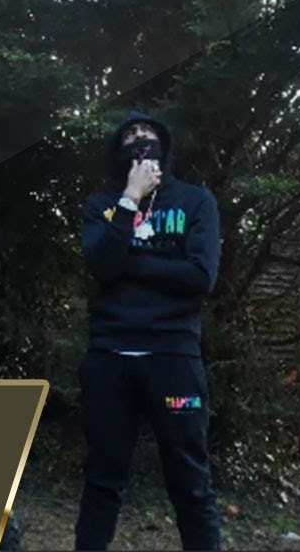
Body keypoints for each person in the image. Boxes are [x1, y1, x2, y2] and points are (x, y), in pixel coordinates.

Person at [74, 110, 223, 551]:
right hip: (110, 359)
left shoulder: (195, 201)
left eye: (149, 133)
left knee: (191, 480)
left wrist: (132, 264)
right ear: (117, 151)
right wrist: (130, 198)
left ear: (165, 147)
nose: (140, 140)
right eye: (130, 135)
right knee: (102, 478)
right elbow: (102, 266)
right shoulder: (100, 205)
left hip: (174, 359)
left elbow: (200, 277)